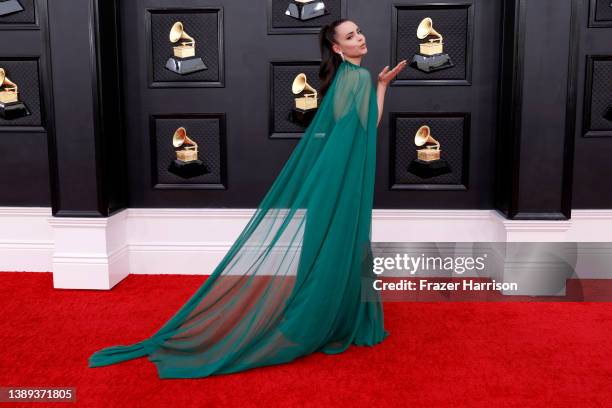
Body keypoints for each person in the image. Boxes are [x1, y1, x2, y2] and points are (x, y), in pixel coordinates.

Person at [88, 19, 407, 379]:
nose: (360, 37)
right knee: (343, 242)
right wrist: (378, 86)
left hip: (335, 175)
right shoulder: (357, 79)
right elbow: (370, 125)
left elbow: (361, 125)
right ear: (337, 49)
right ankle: (327, 317)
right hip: (344, 177)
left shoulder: (346, 81)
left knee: (331, 244)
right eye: (350, 36)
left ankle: (327, 311)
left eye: (359, 31)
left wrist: (381, 84)